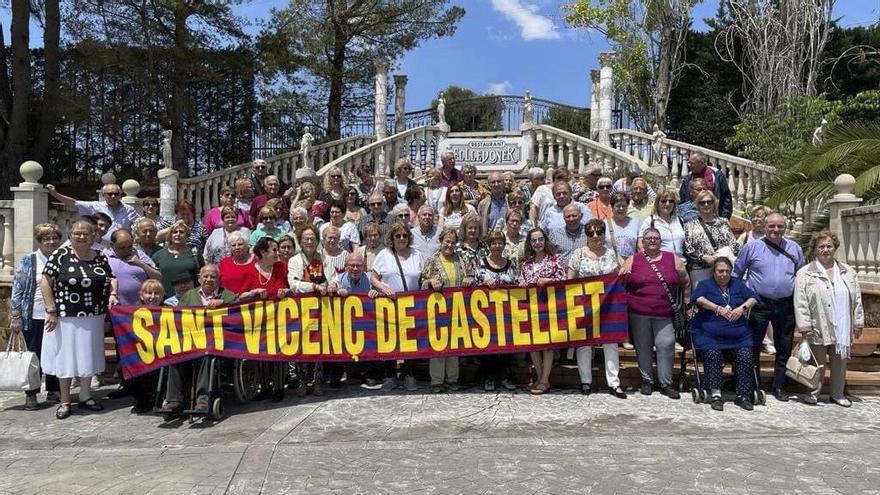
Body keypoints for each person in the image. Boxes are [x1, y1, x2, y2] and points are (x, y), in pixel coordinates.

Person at [40, 218, 118, 419]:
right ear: (70, 235)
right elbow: (45, 282)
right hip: (65, 317)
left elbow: (112, 277)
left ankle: (85, 395)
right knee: (66, 358)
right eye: (77, 233)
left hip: (93, 316)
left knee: (88, 356)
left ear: (93, 236)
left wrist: (113, 294)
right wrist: (51, 310)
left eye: (86, 233)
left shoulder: (100, 256)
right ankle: (65, 401)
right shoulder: (61, 255)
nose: (81, 237)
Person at [733, 212, 805, 402]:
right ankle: (753, 384)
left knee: (784, 347)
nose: (775, 230)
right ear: (765, 227)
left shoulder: (794, 248)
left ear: (785, 228)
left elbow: (802, 275)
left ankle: (779, 386)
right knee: (754, 346)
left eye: (780, 226)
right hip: (759, 304)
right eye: (772, 226)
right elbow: (737, 274)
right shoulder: (752, 247)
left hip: (785, 304)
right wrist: (740, 300)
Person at [794, 232, 865, 407]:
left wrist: (858, 322)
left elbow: (856, 299)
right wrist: (804, 325)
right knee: (816, 362)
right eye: (821, 247)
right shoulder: (805, 273)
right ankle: (812, 393)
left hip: (842, 325)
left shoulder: (848, 272)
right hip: (818, 324)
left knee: (840, 363)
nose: (825, 250)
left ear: (835, 247)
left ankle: (837, 394)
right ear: (815, 249)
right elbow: (800, 301)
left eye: (829, 246)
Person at [621, 226, 690, 399]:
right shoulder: (633, 259)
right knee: (643, 347)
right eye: (649, 237)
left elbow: (685, 281)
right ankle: (647, 380)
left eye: (656, 238)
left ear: (661, 241)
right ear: (642, 242)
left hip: (664, 312)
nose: (652, 240)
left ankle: (666, 383)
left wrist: (687, 303)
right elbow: (622, 280)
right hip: (639, 312)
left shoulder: (673, 259)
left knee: (666, 345)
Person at [162, 265, 237, 413]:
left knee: (206, 356)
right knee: (174, 355)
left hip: (215, 344)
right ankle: (173, 400)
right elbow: (178, 318)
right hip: (190, 341)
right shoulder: (189, 295)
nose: (209, 280)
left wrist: (224, 304)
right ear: (199, 278)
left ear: (219, 280)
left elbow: (237, 314)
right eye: (206, 276)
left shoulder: (227, 296)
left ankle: (203, 400)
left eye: (213, 277)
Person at [690, 257, 760, 411]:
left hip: (738, 336)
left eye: (727, 271)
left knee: (746, 355)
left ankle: (743, 394)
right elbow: (697, 298)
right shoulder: (705, 285)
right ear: (714, 272)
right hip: (710, 335)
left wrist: (741, 308)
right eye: (720, 271)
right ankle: (715, 394)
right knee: (713, 353)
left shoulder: (737, 285)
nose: (724, 274)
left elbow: (754, 297)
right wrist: (717, 308)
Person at [568, 219, 627, 399]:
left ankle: (614, 383)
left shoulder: (611, 254)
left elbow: (620, 274)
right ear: (586, 235)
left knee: (611, 343)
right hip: (584, 305)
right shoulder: (578, 254)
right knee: (584, 344)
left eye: (599, 232)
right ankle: (586, 381)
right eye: (591, 233)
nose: (595, 236)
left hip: (608, 306)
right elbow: (570, 279)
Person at [10, 223, 62, 410]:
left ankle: (55, 390)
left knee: (56, 353)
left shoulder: (62, 259)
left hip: (57, 315)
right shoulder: (29, 260)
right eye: (46, 238)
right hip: (33, 315)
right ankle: (31, 393)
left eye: (54, 238)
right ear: (39, 241)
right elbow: (18, 288)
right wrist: (15, 315)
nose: (51, 241)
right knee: (34, 356)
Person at [420, 230, 477, 393]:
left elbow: (472, 277)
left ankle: (452, 379)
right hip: (438, 309)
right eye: (447, 241)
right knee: (438, 345)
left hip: (458, 310)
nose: (450, 245)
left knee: (454, 347)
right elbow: (421, 282)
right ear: (441, 241)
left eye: (453, 242)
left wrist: (469, 279)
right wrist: (430, 282)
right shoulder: (432, 261)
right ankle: (437, 381)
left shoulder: (462, 259)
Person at [371, 222, 425, 391]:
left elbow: (423, 276)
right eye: (397, 236)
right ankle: (390, 376)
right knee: (390, 340)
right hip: (389, 305)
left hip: (412, 306)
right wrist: (383, 288)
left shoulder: (417, 254)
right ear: (392, 238)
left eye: (404, 235)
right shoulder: (384, 254)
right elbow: (373, 278)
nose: (401, 239)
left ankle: (409, 374)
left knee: (411, 340)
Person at [518, 227, 566, 395]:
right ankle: (539, 378)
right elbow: (521, 281)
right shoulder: (526, 264)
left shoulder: (555, 259)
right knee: (533, 345)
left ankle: (545, 380)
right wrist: (521, 283)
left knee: (547, 346)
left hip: (549, 307)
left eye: (540, 239)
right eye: (534, 240)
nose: (537, 243)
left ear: (545, 241)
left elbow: (563, 279)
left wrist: (549, 280)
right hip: (531, 309)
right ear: (529, 244)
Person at [477, 231, 519, 391]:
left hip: (507, 312)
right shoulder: (481, 263)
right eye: (493, 243)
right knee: (490, 347)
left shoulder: (510, 264)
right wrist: (484, 283)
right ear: (489, 245)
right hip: (486, 314)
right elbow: (474, 284)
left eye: (500, 243)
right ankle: (488, 377)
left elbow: (515, 283)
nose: (497, 246)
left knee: (507, 346)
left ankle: (505, 376)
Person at [683, 190, 738, 290]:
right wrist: (703, 257)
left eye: (709, 201)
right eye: (702, 202)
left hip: (723, 269)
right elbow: (687, 247)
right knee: (703, 299)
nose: (706, 204)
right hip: (700, 269)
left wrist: (720, 257)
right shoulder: (689, 225)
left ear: (714, 203)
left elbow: (733, 245)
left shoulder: (724, 222)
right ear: (697, 205)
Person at [46, 183, 140, 241]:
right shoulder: (95, 206)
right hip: (100, 246)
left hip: (121, 247)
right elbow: (74, 203)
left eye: (116, 194)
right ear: (103, 195)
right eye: (110, 194)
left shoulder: (129, 210)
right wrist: (55, 194)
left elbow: (140, 224)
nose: (113, 196)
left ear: (120, 195)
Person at [130, 280, 165, 413]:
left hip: (163, 351)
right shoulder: (132, 312)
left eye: (157, 293)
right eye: (149, 293)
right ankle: (142, 400)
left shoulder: (169, 309)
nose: (152, 296)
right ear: (141, 295)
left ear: (162, 296)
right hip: (142, 352)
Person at [104, 229, 161, 306]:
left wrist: (141, 264)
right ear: (112, 245)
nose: (126, 250)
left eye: (129, 246)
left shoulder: (140, 255)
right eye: (122, 247)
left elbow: (158, 278)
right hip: (114, 308)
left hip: (139, 308)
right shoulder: (104, 257)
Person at [152, 221, 201, 296]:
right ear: (170, 235)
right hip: (164, 299)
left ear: (187, 236)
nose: (178, 234)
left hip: (189, 298)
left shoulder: (195, 254)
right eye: (175, 232)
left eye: (181, 232)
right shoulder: (159, 255)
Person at [678, 151, 733, 219]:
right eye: (689, 162)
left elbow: (726, 198)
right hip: (692, 218)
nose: (689, 165)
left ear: (702, 163)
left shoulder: (717, 175)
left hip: (715, 217)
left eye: (692, 163)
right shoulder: (688, 179)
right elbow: (682, 200)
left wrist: (725, 217)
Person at [639, 189, 685, 260]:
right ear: (657, 203)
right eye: (663, 201)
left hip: (682, 264)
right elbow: (641, 244)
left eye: (671, 201)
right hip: (661, 264)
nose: (667, 203)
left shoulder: (680, 220)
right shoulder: (650, 221)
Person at [548, 203, 588, 268]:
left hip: (583, 275)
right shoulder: (555, 234)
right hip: (562, 275)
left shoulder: (589, 233)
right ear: (563, 218)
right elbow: (549, 256)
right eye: (568, 216)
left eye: (574, 216)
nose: (571, 219)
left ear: (581, 216)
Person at [606, 192, 640, 260]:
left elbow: (640, 247)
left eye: (624, 206)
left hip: (631, 265)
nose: (621, 208)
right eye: (618, 206)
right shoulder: (605, 224)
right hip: (611, 265)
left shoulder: (636, 223)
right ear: (612, 207)